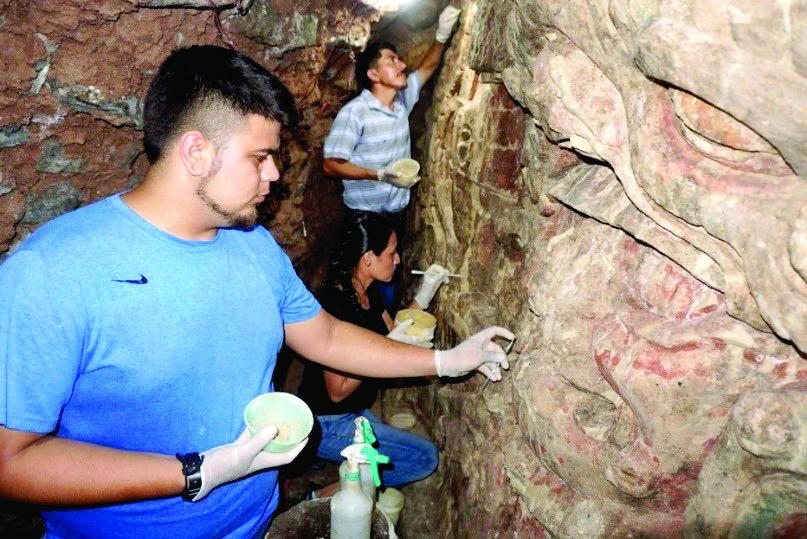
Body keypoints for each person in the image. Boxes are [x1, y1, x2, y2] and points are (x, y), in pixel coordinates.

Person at [0, 45, 512, 539]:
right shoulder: (52, 273)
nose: (275, 175)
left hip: (258, 521)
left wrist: (447, 361)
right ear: (197, 151)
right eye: (261, 156)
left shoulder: (253, 246)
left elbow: (327, 338)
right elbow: (13, 462)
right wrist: (199, 471)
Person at [297, 212, 470, 498]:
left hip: (353, 411)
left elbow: (395, 331)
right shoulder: (337, 305)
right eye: (392, 253)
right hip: (328, 419)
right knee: (424, 458)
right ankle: (316, 498)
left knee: (385, 447)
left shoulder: (368, 292)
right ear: (368, 260)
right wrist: (386, 342)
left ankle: (323, 458)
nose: (398, 259)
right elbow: (337, 391)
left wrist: (426, 291)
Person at [322, 5, 462, 306]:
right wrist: (379, 174)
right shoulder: (355, 113)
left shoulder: (400, 102)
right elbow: (331, 165)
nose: (401, 64)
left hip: (394, 214)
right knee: (358, 287)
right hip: (364, 218)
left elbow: (427, 68)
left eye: (399, 59)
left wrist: (442, 33)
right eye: (392, 61)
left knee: (387, 281)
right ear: (373, 74)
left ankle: (389, 329)